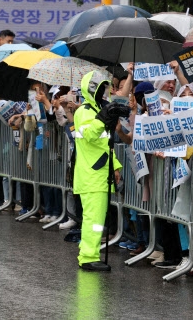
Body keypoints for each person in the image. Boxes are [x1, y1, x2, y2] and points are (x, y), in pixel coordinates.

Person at [73, 70, 123, 272]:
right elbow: (91, 136)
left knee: (96, 219)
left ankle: (90, 254)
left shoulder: (96, 111)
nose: (104, 92)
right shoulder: (84, 112)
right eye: (101, 88)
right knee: (93, 219)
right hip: (91, 175)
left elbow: (105, 144)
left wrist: (117, 166)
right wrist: (103, 117)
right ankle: (88, 257)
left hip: (101, 174)